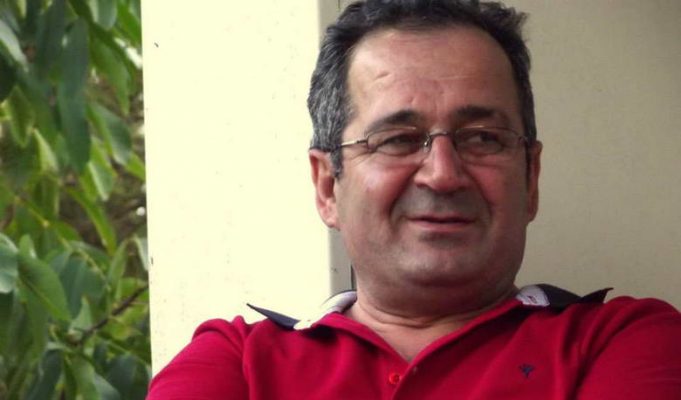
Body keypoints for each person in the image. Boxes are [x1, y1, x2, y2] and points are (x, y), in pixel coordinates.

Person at [147, 0, 681, 398]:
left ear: (531, 177)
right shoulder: (236, 362)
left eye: (482, 138)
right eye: (397, 140)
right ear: (328, 186)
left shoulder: (623, 342)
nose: (443, 175)